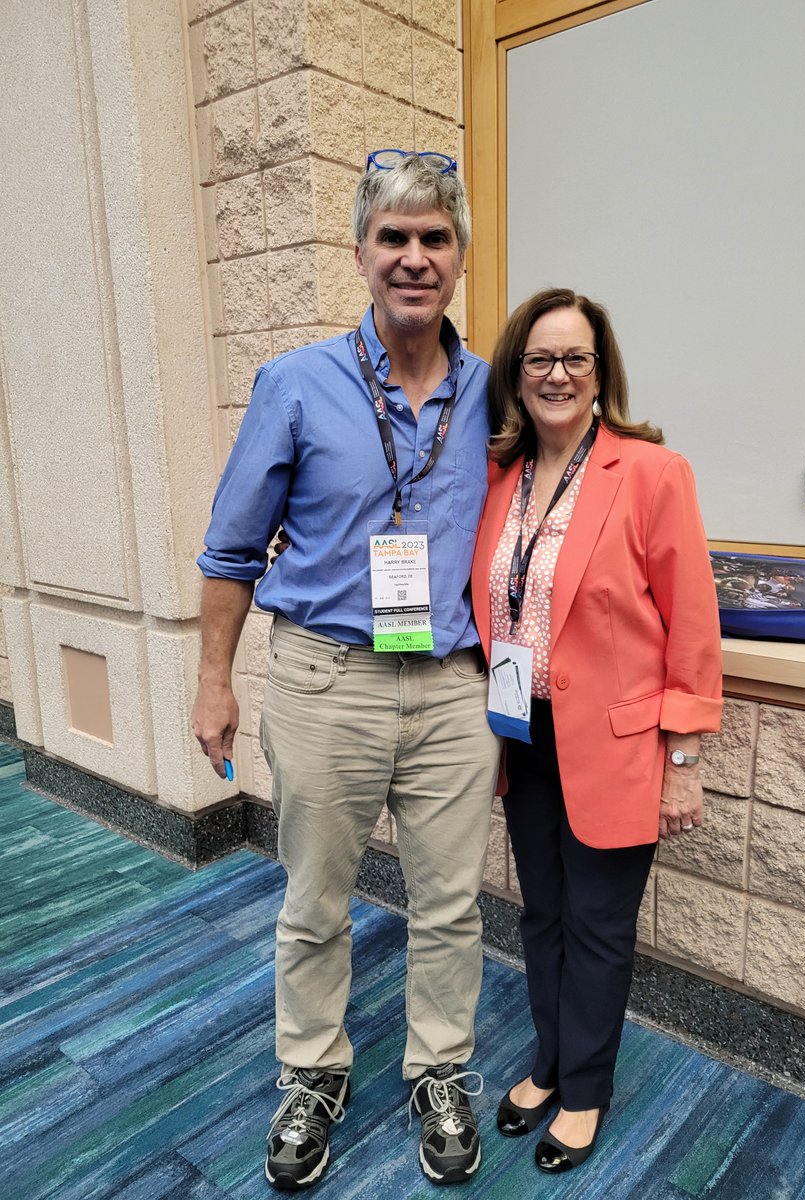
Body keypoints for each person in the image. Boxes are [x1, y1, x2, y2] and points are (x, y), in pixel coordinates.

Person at [191, 150, 500, 1191]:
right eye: (393, 237)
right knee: (316, 900)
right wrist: (214, 680)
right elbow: (232, 550)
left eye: (435, 238)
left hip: (452, 687)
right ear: (361, 253)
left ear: (459, 255)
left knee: (450, 905)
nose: (414, 257)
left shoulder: (494, 394)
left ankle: (439, 1070)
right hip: (327, 681)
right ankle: (313, 1072)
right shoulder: (296, 383)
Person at [470, 287, 722, 1174]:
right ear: (516, 372)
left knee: (599, 926)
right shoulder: (500, 478)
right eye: (539, 359)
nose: (557, 375)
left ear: (600, 370)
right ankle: (548, 1061)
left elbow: (692, 628)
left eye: (575, 358)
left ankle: (584, 1090)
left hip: (617, 747)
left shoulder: (651, 473)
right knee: (542, 913)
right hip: (522, 734)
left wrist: (683, 757)